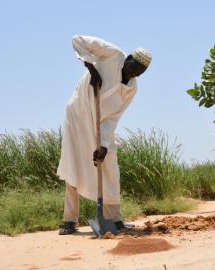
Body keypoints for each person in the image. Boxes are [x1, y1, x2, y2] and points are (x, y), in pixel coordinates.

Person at [56, 35, 151, 235]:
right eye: (135, 67)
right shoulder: (113, 54)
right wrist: (92, 70)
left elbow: (113, 118)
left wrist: (104, 144)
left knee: (109, 166)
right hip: (79, 114)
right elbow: (78, 40)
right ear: (129, 59)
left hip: (100, 124)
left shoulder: (131, 88)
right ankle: (69, 221)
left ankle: (114, 219)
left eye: (142, 71)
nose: (136, 73)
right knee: (73, 163)